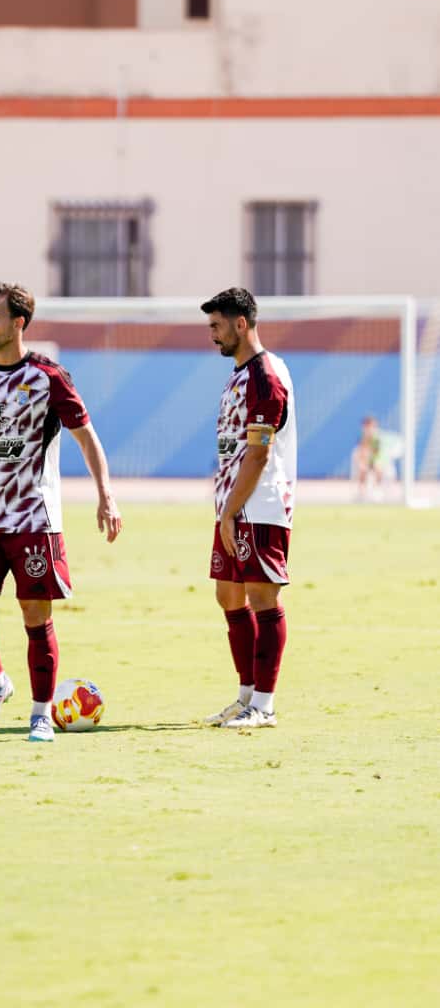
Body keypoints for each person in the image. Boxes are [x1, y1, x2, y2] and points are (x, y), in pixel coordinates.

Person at [0, 282, 122, 742]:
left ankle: (40, 713)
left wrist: (105, 493)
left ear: (18, 323)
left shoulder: (50, 377)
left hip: (33, 518)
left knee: (35, 615)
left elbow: (87, 437)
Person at [201, 286, 297, 729]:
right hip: (234, 506)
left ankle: (265, 704)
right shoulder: (239, 374)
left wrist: (230, 510)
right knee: (228, 594)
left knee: (262, 597)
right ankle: (245, 696)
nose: (212, 335)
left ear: (242, 324)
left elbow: (258, 455)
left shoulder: (265, 375)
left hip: (259, 505)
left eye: (217, 326)